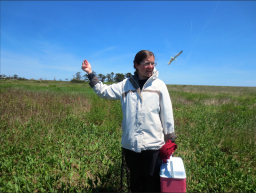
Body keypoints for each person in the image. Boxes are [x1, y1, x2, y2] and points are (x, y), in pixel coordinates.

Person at [81, 50, 177, 192]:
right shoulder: (125, 84)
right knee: (135, 181)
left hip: (154, 145)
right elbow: (103, 91)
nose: (151, 66)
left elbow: (167, 114)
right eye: (146, 63)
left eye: (152, 63)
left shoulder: (159, 85)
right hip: (130, 145)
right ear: (136, 65)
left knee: (152, 181)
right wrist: (90, 73)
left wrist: (170, 139)